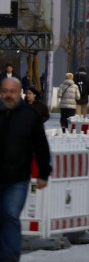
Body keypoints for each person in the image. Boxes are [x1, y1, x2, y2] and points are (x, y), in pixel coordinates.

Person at [1, 77, 51, 262]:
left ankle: (10, 257)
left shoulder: (29, 115)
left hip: (17, 178)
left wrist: (44, 173)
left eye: (12, 91)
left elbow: (41, 147)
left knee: (10, 214)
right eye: (5, 91)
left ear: (19, 93)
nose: (8, 95)